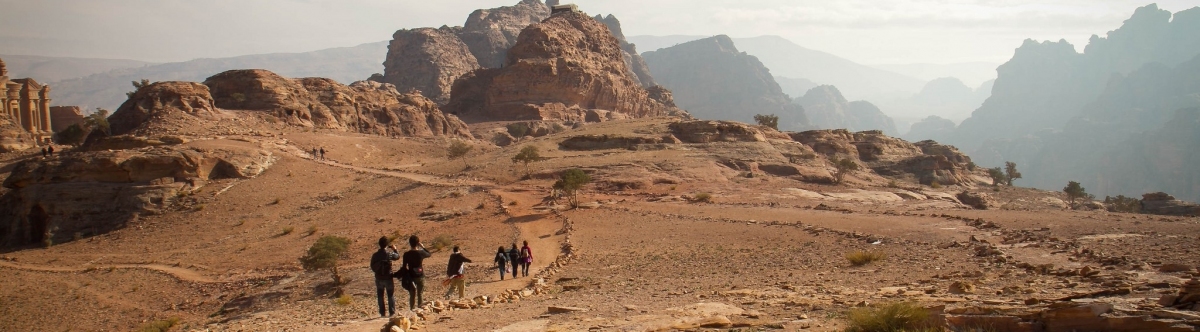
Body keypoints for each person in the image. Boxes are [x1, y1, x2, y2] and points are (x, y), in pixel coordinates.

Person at [369, 237, 400, 317]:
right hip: (388, 277)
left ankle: (382, 313)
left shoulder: (375, 255)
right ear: (387, 245)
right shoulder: (389, 254)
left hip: (379, 278)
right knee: (390, 295)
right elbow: (397, 257)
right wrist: (395, 249)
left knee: (380, 295)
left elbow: (372, 266)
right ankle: (392, 312)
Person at [400, 235, 431, 310]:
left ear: (410, 243)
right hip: (420, 275)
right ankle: (420, 309)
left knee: (412, 294)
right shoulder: (421, 253)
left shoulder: (406, 254)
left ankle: (412, 310)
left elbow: (404, 266)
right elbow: (429, 254)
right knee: (420, 294)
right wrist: (423, 247)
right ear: (418, 243)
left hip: (411, 276)